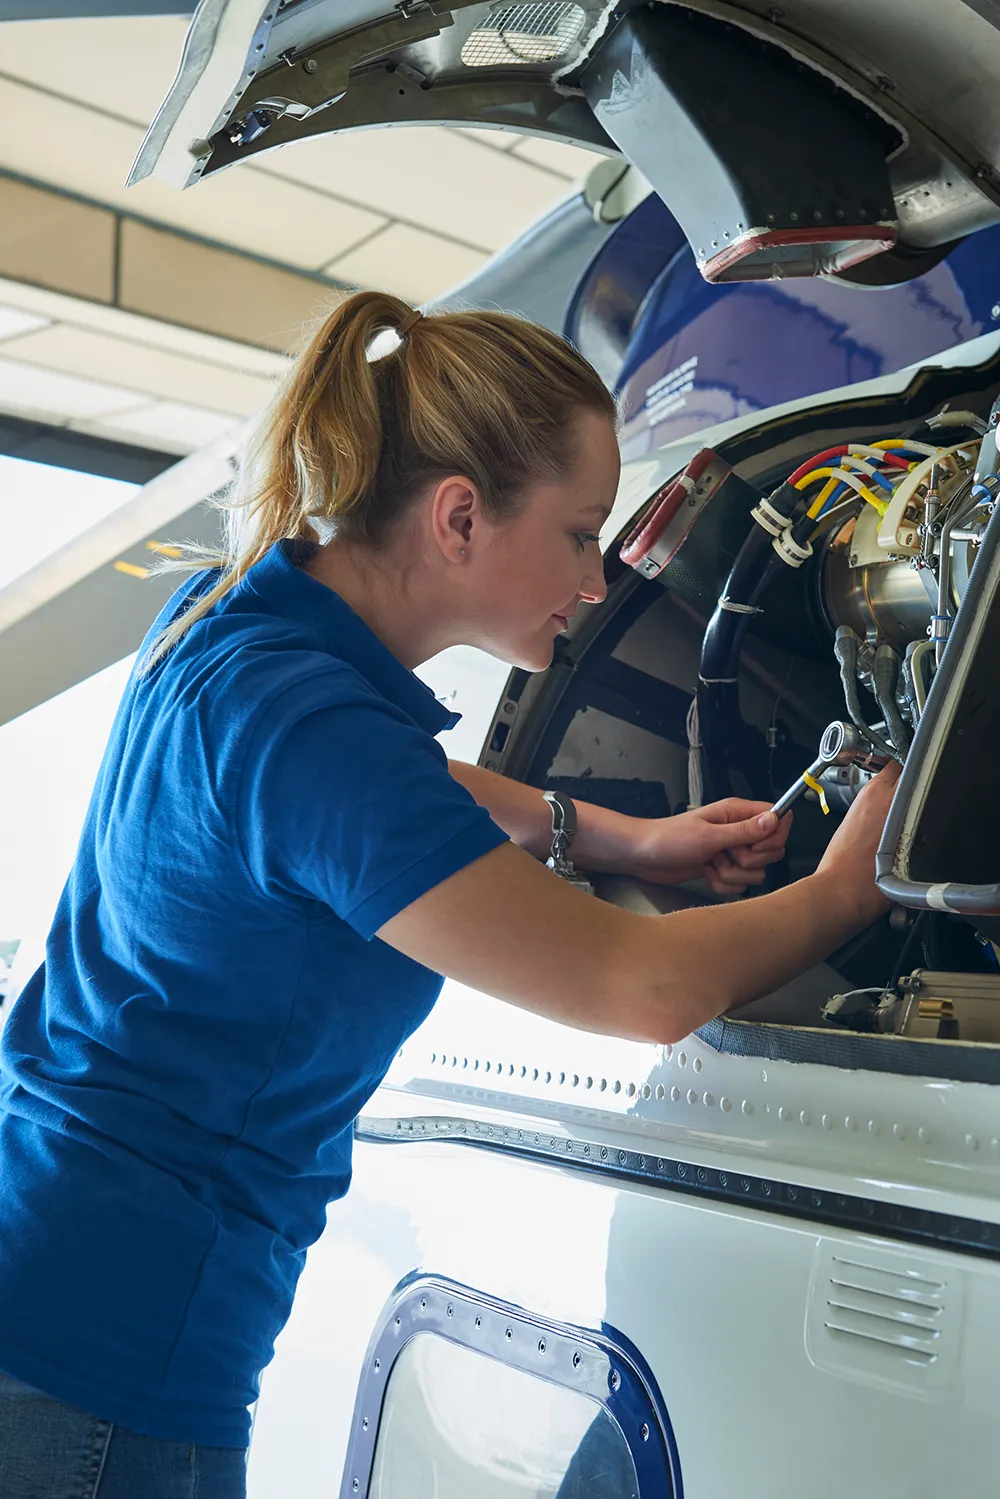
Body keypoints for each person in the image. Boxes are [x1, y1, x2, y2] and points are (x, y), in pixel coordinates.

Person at [0, 292, 898, 1497]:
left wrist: (616, 834)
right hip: (106, 1352)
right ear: (460, 515)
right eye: (581, 534)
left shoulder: (222, 628)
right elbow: (637, 987)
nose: (595, 577)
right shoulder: (311, 731)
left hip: (45, 1266)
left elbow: (395, 787)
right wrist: (852, 883)